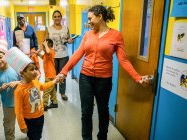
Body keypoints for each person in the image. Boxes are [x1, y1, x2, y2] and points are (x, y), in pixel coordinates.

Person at [57, 5, 150, 140]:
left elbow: (123, 60)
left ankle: (102, 137)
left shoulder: (116, 35)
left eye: (90, 18)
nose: (88, 22)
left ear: (100, 16)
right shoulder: (88, 34)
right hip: (85, 78)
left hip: (104, 80)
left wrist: (137, 77)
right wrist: (63, 72)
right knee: (86, 112)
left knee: (103, 111)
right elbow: (77, 55)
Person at [5, 47, 59, 140]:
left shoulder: (35, 81)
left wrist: (54, 82)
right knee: (34, 137)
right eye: (32, 70)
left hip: (40, 116)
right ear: (22, 73)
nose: (36, 72)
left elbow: (42, 87)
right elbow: (18, 111)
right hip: (29, 120)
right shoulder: (19, 90)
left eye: (35, 69)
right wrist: (22, 126)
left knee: (38, 136)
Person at [0, 38, 21, 140]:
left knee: (27, 122)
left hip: (21, 102)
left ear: (6, 56)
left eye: (0, 57)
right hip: (8, 105)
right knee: (9, 126)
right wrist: (0, 88)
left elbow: (26, 81)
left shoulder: (15, 67)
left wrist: (17, 82)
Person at [44, 10, 75, 101]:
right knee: (53, 75)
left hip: (64, 55)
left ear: (61, 18)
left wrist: (70, 40)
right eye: (55, 16)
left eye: (59, 16)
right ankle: (53, 96)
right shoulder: (49, 28)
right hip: (52, 56)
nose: (57, 18)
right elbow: (45, 42)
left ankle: (62, 93)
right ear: (52, 18)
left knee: (62, 75)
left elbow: (68, 39)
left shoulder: (66, 28)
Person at [38, 39, 58, 111]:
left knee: (46, 90)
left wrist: (45, 45)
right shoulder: (46, 53)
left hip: (50, 74)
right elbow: (41, 56)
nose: (43, 46)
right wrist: (38, 52)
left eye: (44, 45)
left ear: (48, 45)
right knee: (51, 89)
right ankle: (54, 102)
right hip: (49, 74)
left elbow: (48, 51)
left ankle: (44, 105)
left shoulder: (51, 51)